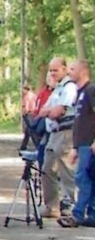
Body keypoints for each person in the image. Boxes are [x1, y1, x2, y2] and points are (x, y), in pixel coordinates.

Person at [39, 57, 78, 220]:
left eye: (55, 70)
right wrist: (50, 111)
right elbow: (42, 110)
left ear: (64, 69)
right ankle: (52, 206)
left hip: (66, 133)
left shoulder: (70, 88)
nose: (52, 73)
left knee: (67, 170)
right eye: (50, 70)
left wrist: (51, 111)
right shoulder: (57, 89)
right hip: (53, 133)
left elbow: (58, 111)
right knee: (47, 169)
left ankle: (73, 207)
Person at [63, 60, 95, 227]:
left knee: (83, 178)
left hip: (89, 144)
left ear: (83, 72)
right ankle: (92, 215)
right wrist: (75, 147)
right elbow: (79, 122)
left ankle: (77, 214)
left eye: (73, 69)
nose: (69, 72)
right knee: (88, 178)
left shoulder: (91, 90)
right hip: (81, 144)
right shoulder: (79, 93)